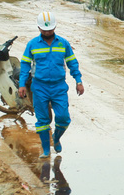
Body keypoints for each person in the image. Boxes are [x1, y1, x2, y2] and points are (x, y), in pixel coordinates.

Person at [17, 11, 85, 159]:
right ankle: (46, 150)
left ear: (55, 27)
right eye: (44, 29)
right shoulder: (32, 44)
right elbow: (25, 65)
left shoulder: (63, 43)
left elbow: (72, 63)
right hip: (39, 87)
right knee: (42, 120)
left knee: (63, 117)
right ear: (38, 28)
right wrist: (22, 84)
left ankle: (56, 137)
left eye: (50, 29)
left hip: (59, 87)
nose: (47, 32)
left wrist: (78, 81)